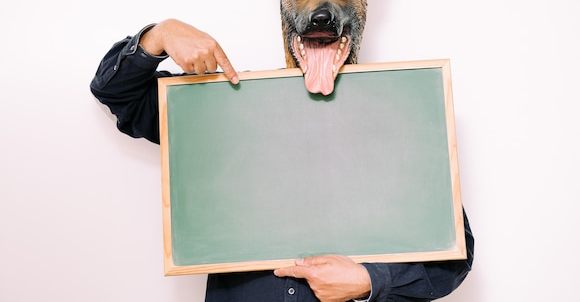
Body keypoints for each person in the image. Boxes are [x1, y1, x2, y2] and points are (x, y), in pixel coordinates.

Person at [90, 18, 474, 302]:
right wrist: (159, 35)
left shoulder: (396, 117)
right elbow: (117, 93)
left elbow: (455, 252)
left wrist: (369, 280)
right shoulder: (225, 110)